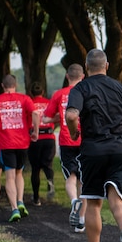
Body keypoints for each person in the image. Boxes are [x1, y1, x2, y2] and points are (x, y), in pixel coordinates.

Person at [66, 49, 122, 242]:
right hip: (120, 150)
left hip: (93, 150)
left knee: (93, 203)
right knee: (117, 200)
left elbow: (71, 115)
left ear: (86, 66)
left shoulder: (81, 87)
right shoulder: (120, 88)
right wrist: (119, 123)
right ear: (107, 66)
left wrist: (73, 133)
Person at [0, 74, 40, 223]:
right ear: (15, 85)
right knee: (19, 173)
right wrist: (36, 131)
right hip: (23, 143)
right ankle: (21, 200)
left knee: (9, 176)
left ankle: (14, 208)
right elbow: (35, 113)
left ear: (2, 85)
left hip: (7, 144)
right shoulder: (25, 99)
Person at [51, 64, 87, 232]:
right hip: (85, 140)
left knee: (70, 176)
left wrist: (58, 117)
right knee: (83, 180)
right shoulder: (86, 92)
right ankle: (81, 221)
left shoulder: (59, 94)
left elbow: (46, 117)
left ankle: (74, 201)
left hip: (66, 140)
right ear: (83, 76)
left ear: (67, 76)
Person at [27, 81, 56, 206]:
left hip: (35, 137)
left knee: (35, 169)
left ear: (31, 93)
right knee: (48, 165)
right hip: (49, 136)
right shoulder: (49, 103)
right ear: (43, 92)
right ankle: (50, 180)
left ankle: (36, 198)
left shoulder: (29, 103)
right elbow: (55, 116)